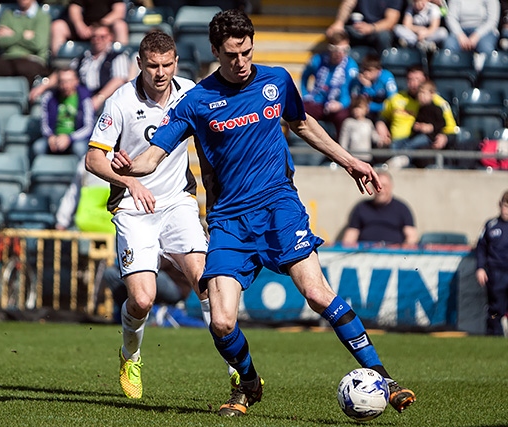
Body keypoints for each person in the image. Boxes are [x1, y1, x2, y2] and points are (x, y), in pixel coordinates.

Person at [111, 9, 416, 417]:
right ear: (216, 51)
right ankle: (248, 383)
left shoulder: (277, 80)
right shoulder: (196, 101)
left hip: (279, 209)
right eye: (232, 55)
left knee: (317, 293)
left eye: (247, 53)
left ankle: (384, 377)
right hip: (229, 221)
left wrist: (351, 161)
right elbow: (151, 157)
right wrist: (127, 167)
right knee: (220, 321)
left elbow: (303, 124)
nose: (241, 63)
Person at [84, 30, 228, 400]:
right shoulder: (120, 101)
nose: (160, 73)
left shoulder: (189, 92)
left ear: (176, 62)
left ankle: (237, 368)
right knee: (143, 299)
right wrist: (127, 181)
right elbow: (93, 158)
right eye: (152, 66)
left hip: (178, 201)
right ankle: (129, 355)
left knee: (204, 278)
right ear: (140, 64)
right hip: (134, 209)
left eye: (166, 65)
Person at [30, 23, 130, 112]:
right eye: (94, 37)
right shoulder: (83, 58)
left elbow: (118, 80)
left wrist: (99, 98)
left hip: (108, 101)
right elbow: (63, 73)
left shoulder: (118, 57)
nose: (97, 40)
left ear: (110, 37)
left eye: (102, 37)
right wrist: (42, 87)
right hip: (83, 99)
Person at [376, 65, 456, 165]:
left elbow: (450, 129)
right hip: (396, 143)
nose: (414, 84)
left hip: (422, 146)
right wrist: (380, 123)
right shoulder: (396, 99)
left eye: (417, 79)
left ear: (425, 80)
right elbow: (383, 116)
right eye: (410, 80)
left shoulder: (438, 103)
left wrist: (445, 137)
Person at [301, 31, 358, 140]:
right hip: (317, 102)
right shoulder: (317, 60)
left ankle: (339, 150)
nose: (340, 53)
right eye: (337, 50)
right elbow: (304, 76)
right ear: (330, 49)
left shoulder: (351, 66)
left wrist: (340, 104)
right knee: (298, 110)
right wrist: (305, 94)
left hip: (339, 104)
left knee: (343, 117)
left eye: (345, 50)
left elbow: (352, 91)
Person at [0, 0, 51, 86]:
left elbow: (38, 44)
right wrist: (24, 35)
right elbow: (0, 41)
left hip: (31, 61)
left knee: (25, 68)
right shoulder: (8, 14)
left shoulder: (42, 16)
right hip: (8, 60)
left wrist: (13, 34)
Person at [32, 67, 95, 161]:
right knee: (38, 147)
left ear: (76, 81)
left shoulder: (85, 98)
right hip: (54, 136)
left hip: (76, 138)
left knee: (79, 148)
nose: (65, 85)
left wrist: (69, 138)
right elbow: (44, 122)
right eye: (62, 81)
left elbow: (88, 127)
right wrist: (50, 136)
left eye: (69, 81)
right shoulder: (49, 97)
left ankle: (80, 174)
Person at [342, 170, 418, 246]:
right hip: (365, 253)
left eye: (384, 186)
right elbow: (350, 237)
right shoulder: (361, 208)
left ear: (391, 186)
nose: (380, 190)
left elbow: (411, 237)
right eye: (376, 185)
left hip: (394, 253)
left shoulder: (402, 209)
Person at [475, 190, 508, 336]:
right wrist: (480, 268)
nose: (507, 211)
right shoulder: (491, 225)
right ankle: (493, 336)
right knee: (495, 308)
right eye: (506, 206)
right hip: (496, 273)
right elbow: (481, 248)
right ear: (500, 205)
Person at [55, 154, 114, 233]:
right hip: (90, 220)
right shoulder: (87, 159)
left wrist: (62, 220)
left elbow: (73, 191)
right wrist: (62, 220)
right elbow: (74, 192)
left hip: (111, 220)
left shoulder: (87, 158)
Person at [49, 0, 128, 57]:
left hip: (106, 26)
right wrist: (80, 25)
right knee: (57, 26)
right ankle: (58, 62)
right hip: (84, 28)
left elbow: (119, 11)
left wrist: (100, 25)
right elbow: (74, 8)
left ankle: (122, 58)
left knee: (121, 26)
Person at [326, 0, 403, 54]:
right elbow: (348, 3)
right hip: (358, 28)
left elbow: (391, 21)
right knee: (337, 33)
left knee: (384, 36)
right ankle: (340, 67)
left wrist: (371, 28)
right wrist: (339, 23)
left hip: (377, 30)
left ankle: (379, 68)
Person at [390, 80, 446, 151]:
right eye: (419, 93)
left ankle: (402, 157)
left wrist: (431, 127)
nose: (420, 96)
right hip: (416, 135)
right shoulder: (420, 109)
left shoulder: (436, 108)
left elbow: (442, 123)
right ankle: (394, 157)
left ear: (432, 94)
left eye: (423, 93)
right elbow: (415, 125)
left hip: (428, 137)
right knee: (397, 143)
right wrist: (417, 126)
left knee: (411, 145)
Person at [350, 54, 397, 121]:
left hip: (383, 111)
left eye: (369, 70)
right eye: (364, 69)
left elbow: (392, 100)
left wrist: (369, 88)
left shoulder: (386, 77)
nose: (366, 73)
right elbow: (355, 100)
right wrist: (365, 87)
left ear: (379, 70)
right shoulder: (359, 79)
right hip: (365, 112)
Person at [339, 95, 378, 162]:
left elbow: (375, 138)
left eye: (359, 108)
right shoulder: (348, 123)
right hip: (353, 157)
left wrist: (383, 140)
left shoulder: (368, 123)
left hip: (366, 157)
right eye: (355, 108)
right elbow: (344, 140)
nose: (356, 110)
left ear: (366, 109)